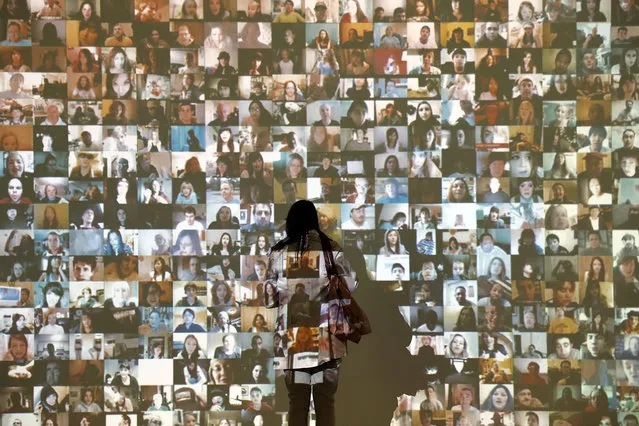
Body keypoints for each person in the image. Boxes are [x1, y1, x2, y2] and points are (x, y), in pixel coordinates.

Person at [263, 200, 359, 425]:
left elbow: (268, 300)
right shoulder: (330, 248)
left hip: (292, 341)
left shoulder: (278, 252)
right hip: (327, 338)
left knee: (297, 403)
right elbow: (352, 284)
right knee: (326, 403)